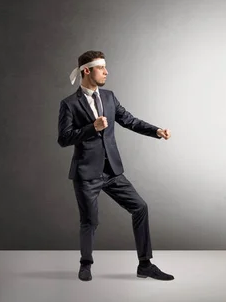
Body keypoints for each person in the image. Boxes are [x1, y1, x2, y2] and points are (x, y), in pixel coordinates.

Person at [57, 50, 174, 282]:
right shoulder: (69, 104)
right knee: (90, 221)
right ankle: (86, 265)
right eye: (102, 68)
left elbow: (129, 120)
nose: (106, 72)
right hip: (86, 173)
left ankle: (145, 264)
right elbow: (64, 138)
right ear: (87, 70)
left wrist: (156, 131)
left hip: (111, 171)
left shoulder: (109, 97)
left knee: (140, 207)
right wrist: (93, 127)